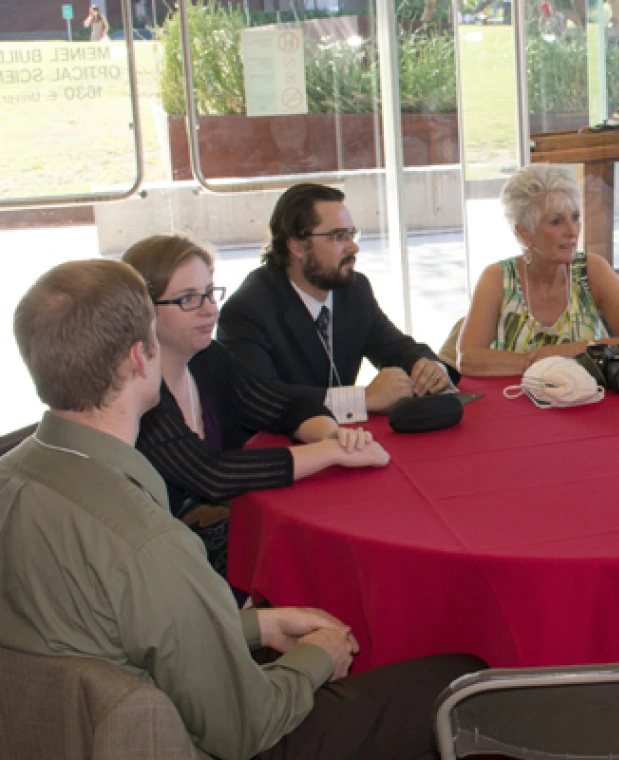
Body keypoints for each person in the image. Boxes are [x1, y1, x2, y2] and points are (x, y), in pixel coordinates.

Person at [0, 258, 485, 760]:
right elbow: (246, 728)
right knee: (459, 677)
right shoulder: (151, 546)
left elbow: (108, 628)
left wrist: (254, 625)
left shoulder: (14, 481)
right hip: (202, 741)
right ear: (138, 359)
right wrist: (315, 659)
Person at [125, 235, 390, 577]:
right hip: (169, 570)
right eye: (188, 299)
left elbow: (283, 404)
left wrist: (330, 434)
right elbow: (212, 474)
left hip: (225, 541)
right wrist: (333, 454)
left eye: (209, 293)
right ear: (143, 310)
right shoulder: (133, 392)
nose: (209, 309)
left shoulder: (208, 358)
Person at [218, 183, 454, 424]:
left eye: (352, 234)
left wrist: (429, 368)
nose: (353, 247)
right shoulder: (247, 311)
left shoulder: (353, 290)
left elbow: (396, 348)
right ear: (297, 245)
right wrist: (360, 399)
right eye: (339, 237)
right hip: (282, 449)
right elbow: (264, 400)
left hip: (346, 441)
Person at [457, 163, 619, 375]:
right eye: (556, 221)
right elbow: (468, 359)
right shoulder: (497, 278)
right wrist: (547, 363)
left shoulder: (592, 270)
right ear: (525, 234)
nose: (572, 231)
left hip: (588, 402)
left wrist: (567, 352)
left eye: (575, 217)